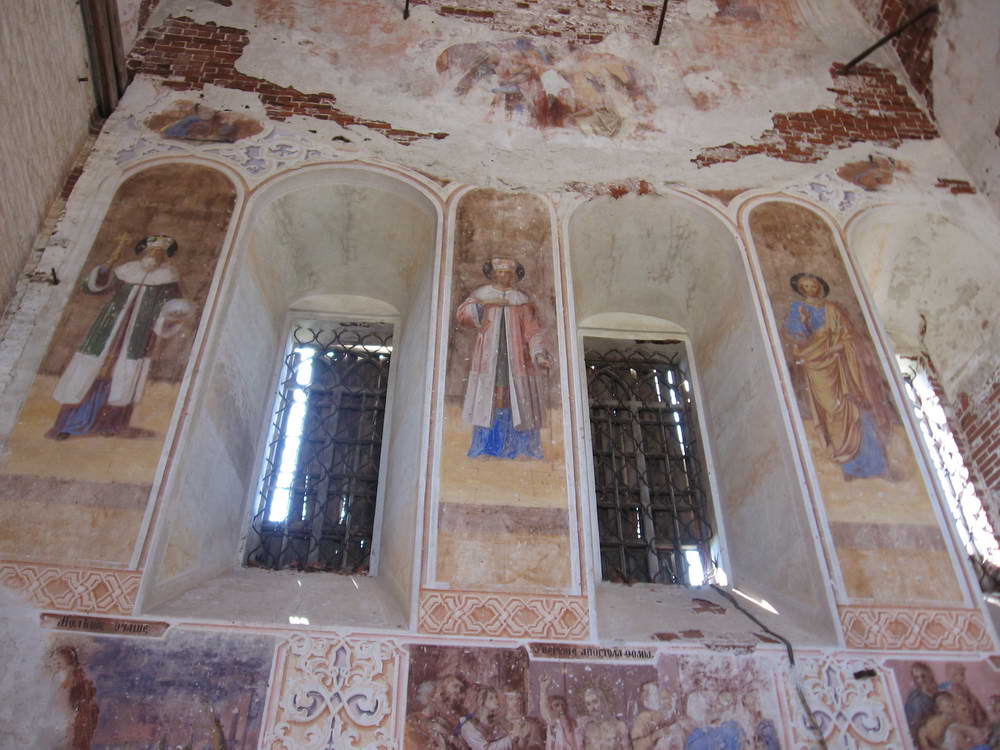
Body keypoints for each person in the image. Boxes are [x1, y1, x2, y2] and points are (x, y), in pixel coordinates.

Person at [47, 235, 193, 439]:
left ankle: (110, 424)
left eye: (160, 253)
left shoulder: (168, 277)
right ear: (144, 252)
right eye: (152, 251)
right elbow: (93, 287)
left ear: (165, 257)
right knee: (88, 371)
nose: (154, 256)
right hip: (107, 331)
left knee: (125, 376)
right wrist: (103, 272)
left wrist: (172, 317)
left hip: (138, 336)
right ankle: (69, 424)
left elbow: (171, 308)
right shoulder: (126, 270)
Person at [783, 272, 893, 480]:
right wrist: (806, 325)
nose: (809, 289)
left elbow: (849, 335)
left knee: (855, 409)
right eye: (805, 287)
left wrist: (841, 346)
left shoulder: (833, 308)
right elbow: (796, 339)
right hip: (817, 366)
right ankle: (848, 466)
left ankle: (875, 465)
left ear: (819, 286)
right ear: (800, 290)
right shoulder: (798, 310)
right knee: (832, 412)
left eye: (812, 285)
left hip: (842, 364)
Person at [457, 257, 552, 459]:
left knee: (516, 397)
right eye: (499, 272)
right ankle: (488, 447)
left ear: (514, 276)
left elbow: (532, 330)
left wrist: (538, 354)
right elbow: (463, 314)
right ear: (493, 274)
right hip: (489, 356)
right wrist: (482, 305)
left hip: (517, 358)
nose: (503, 276)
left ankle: (518, 447)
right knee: (492, 398)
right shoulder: (482, 294)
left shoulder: (520, 300)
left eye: (508, 273)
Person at [576, 684, 631, 750]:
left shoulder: (619, 725)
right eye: (588, 704)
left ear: (603, 701)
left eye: (595, 702)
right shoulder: (584, 727)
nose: (592, 707)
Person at [540, 675, 577, 750]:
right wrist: (543, 689)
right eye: (556, 705)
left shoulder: (572, 722)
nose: (561, 707)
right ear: (550, 709)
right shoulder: (552, 721)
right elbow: (544, 708)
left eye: (563, 705)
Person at [906, 663, 940, 742]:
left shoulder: (939, 691)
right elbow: (915, 722)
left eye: (923, 676)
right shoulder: (916, 698)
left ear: (929, 675)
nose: (921, 680)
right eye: (916, 678)